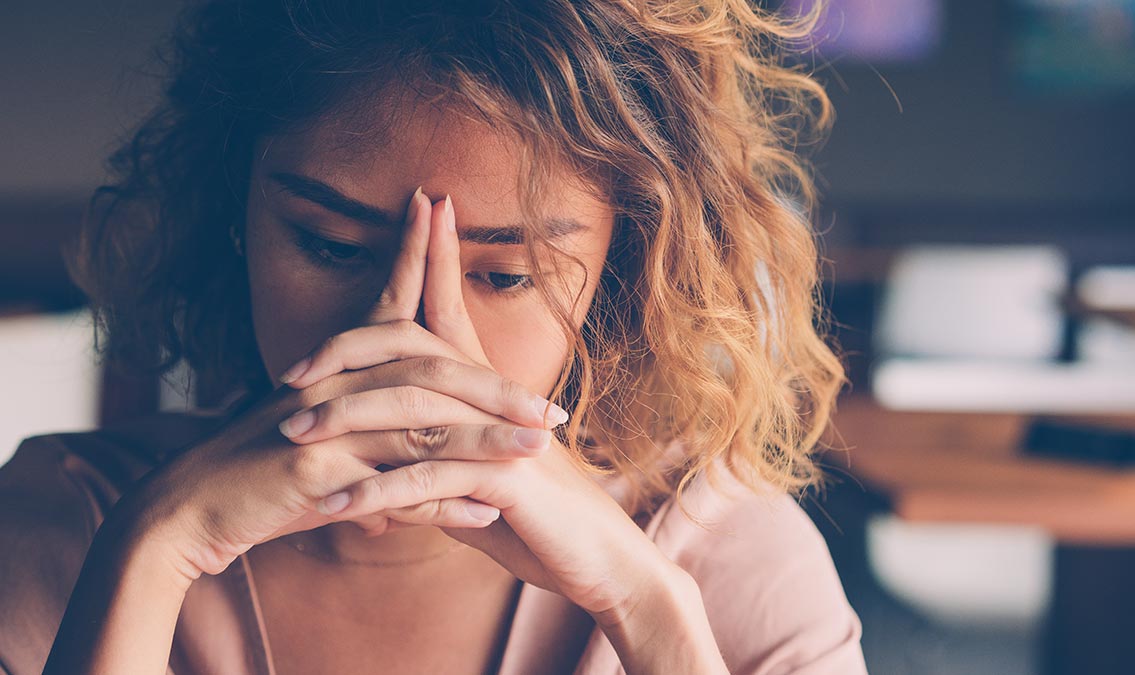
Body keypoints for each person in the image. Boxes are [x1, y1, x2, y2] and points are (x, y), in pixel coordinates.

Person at [0, 0, 867, 673]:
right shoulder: (68, 526)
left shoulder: (726, 562)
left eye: (504, 274)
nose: (412, 338)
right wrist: (154, 553)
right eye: (332, 245)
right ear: (237, 214)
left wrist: (649, 612)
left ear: (622, 268)